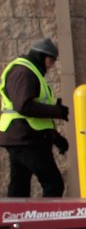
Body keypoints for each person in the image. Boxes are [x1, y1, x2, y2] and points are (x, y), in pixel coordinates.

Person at [0, 38, 70, 197]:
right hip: (25, 139)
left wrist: (56, 138)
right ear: (41, 56)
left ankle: (13, 222)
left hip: (24, 137)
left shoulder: (31, 73)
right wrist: (57, 111)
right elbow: (23, 106)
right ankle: (48, 221)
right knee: (53, 184)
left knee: (19, 187)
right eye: (50, 60)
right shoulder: (24, 72)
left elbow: (37, 118)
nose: (51, 65)